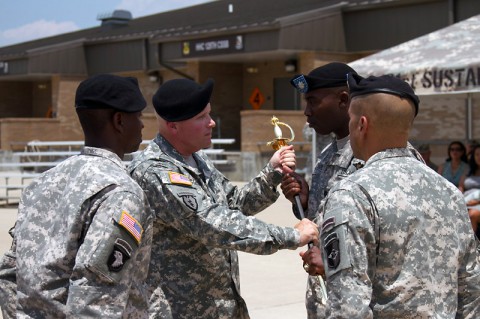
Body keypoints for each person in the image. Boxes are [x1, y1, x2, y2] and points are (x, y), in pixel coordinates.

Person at [128, 77, 319, 319]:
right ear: (172, 125)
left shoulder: (196, 158)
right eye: (201, 117)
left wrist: (272, 173)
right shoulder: (155, 172)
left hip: (220, 306)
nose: (212, 122)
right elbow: (214, 224)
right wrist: (292, 236)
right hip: (181, 309)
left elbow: (234, 203)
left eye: (209, 113)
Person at [318, 73, 480, 317]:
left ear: (362, 124)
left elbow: (348, 308)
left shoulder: (352, 194)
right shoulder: (449, 192)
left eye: (350, 119)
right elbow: (471, 291)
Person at [0, 74, 153, 318]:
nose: (143, 125)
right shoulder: (120, 192)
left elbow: (10, 273)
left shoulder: (43, 181)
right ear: (119, 120)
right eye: (139, 115)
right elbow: (96, 294)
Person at [282, 63, 425, 319]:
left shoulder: (388, 156)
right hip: (328, 303)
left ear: (344, 100)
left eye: (313, 101)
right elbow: (327, 224)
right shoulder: (328, 154)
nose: (307, 111)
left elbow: (403, 243)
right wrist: (302, 202)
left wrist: (329, 266)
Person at [459, 144, 480, 237]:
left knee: (472, 215)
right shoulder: (468, 170)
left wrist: (475, 202)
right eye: (477, 154)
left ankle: (472, 247)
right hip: (466, 201)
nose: (479, 157)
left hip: (477, 202)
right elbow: (461, 186)